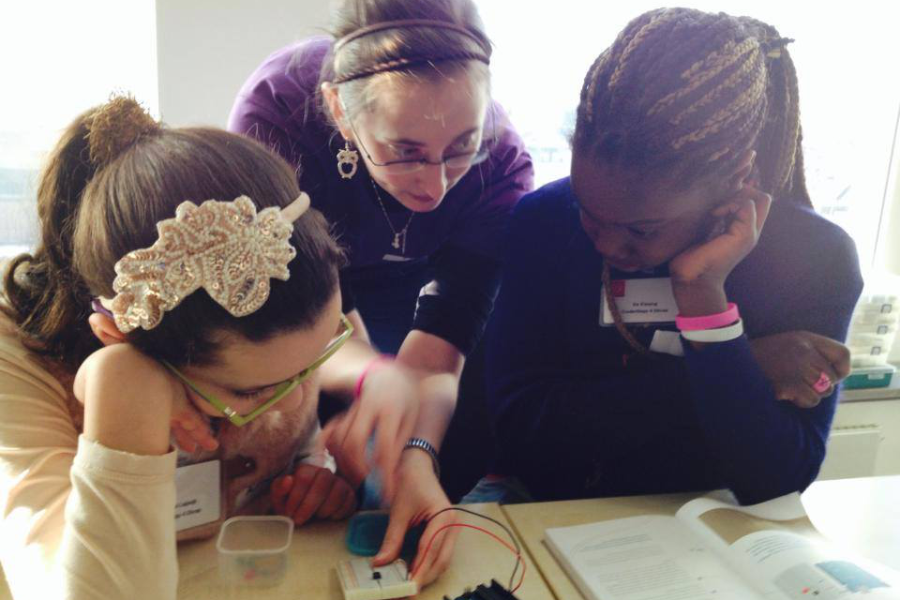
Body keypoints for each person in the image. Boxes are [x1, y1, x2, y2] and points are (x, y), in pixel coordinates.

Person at [477, 8, 863, 506]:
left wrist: (707, 308)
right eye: (588, 210)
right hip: (553, 522)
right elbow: (520, 434)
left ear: (737, 178)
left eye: (642, 229)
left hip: (711, 543)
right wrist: (748, 367)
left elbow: (776, 479)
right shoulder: (542, 223)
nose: (608, 246)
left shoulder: (817, 258)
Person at [227, 0, 533, 584]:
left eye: (461, 146)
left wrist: (417, 454)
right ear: (341, 112)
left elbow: (446, 339)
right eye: (406, 153)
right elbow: (300, 325)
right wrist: (362, 387)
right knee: (333, 424)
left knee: (429, 436)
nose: (437, 184)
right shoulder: (276, 123)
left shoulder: (502, 165)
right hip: (309, 282)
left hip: (420, 273)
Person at [0, 96, 354, 599]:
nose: (296, 403)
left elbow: (299, 442)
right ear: (120, 337)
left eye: (312, 364)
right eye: (255, 391)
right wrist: (123, 391)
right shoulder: (17, 352)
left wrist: (314, 470)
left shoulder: (277, 313)